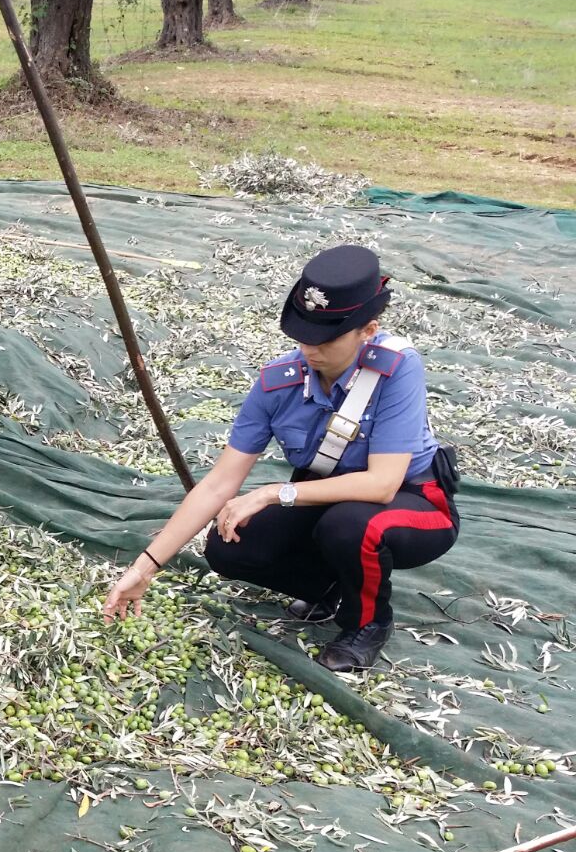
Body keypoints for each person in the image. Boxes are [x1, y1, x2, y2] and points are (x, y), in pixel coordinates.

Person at [103, 244, 459, 672]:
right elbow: (218, 484)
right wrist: (146, 567)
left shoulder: (396, 368)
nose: (310, 349)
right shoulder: (278, 383)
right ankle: (331, 587)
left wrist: (274, 492)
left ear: (368, 330)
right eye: (303, 332)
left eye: (326, 336)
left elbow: (382, 484)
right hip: (325, 497)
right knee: (229, 544)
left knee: (349, 526)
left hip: (412, 502)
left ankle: (368, 623)